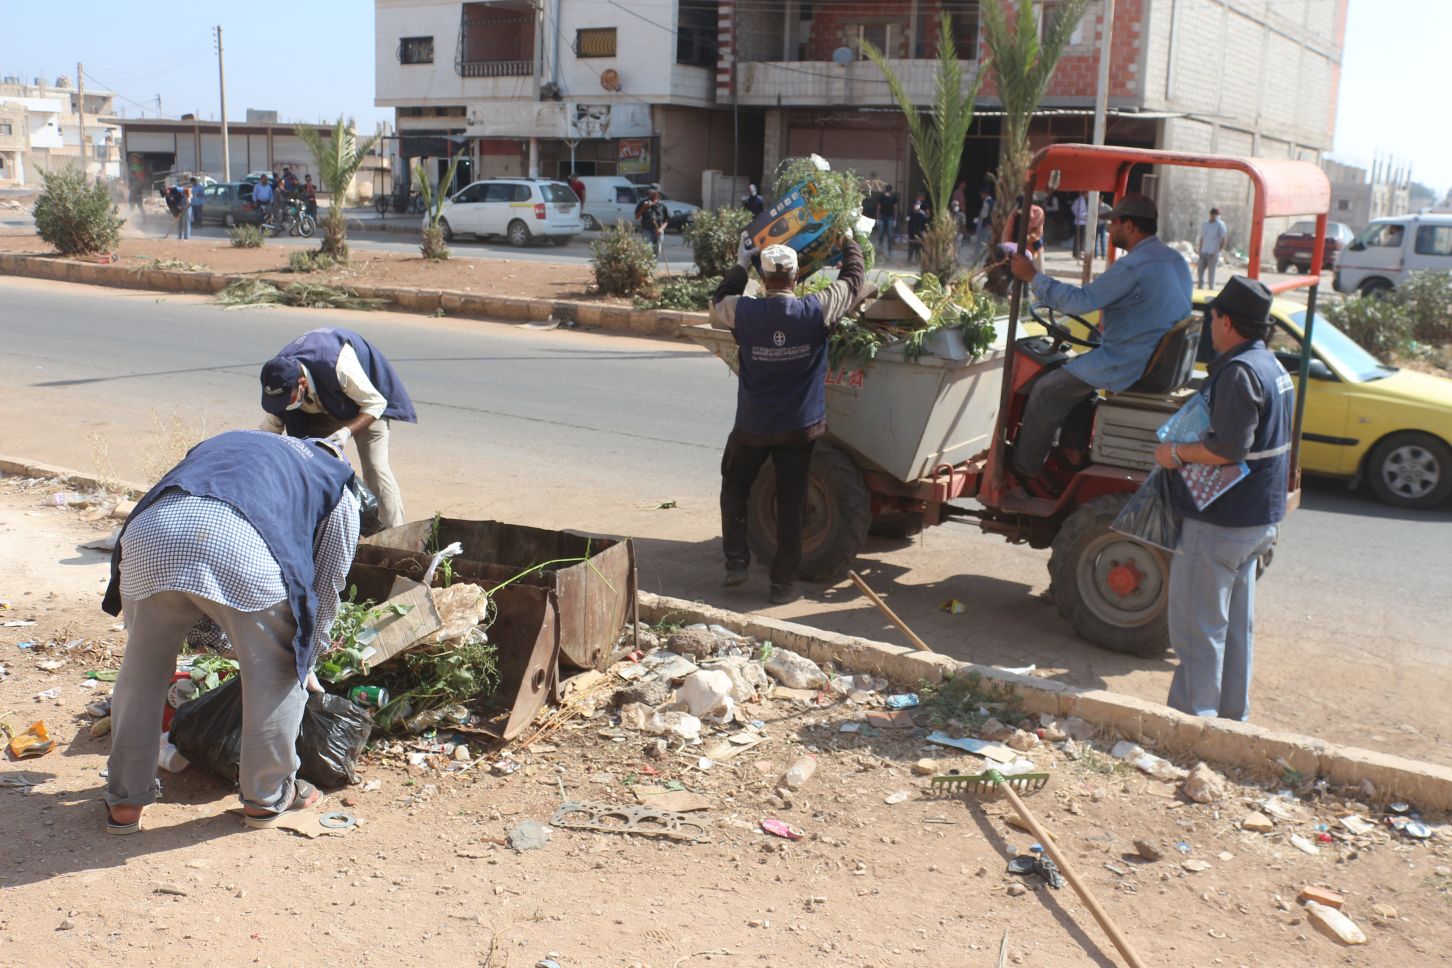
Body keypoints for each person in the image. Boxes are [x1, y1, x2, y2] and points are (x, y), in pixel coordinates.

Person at [100, 430, 360, 834]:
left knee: (142, 673)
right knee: (276, 676)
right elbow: (326, 582)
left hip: (150, 536)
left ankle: (124, 803)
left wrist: (216, 635)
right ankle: (267, 798)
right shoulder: (338, 482)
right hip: (237, 547)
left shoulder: (235, 443)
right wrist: (307, 653)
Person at [1155, 276, 1291, 721]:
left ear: (1226, 321)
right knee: (1233, 633)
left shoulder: (1238, 373)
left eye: (1212, 316)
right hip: (1256, 522)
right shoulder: (1271, 366)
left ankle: (1194, 726)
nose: (1210, 325)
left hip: (1220, 525)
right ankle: (1230, 724)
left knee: (1198, 632)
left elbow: (1227, 448)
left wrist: (1174, 453)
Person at [710, 232, 865, 605]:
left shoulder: (743, 312)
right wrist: (850, 243)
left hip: (753, 426)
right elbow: (854, 283)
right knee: (792, 503)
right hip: (800, 429)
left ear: (763, 280)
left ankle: (736, 562)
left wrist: (740, 262)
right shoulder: (817, 309)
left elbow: (718, 300)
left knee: (735, 484)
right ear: (796, 278)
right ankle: (782, 585)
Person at [1008, 193, 1193, 483]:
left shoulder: (1133, 267)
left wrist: (1031, 276)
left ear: (1130, 226)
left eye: (1114, 223)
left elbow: (1079, 301)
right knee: (1080, 383)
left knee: (1047, 389)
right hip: (1153, 358)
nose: (1109, 229)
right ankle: (1072, 452)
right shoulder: (1174, 259)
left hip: (1130, 360)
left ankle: (1023, 472)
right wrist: (1039, 252)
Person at [259, 327, 417, 529]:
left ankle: (393, 534)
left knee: (375, 469)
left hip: (366, 404)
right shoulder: (279, 374)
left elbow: (375, 404)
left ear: (302, 383)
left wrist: (346, 431)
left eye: (285, 399)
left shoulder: (338, 365)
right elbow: (271, 429)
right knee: (310, 468)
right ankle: (320, 533)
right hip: (319, 405)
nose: (282, 405)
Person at [1001, 194, 1045, 270]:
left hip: (1034, 247)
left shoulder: (1038, 212)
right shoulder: (1014, 213)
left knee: (1037, 271)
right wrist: (1006, 247)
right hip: (1016, 247)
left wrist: (1027, 238)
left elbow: (1038, 233)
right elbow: (1008, 231)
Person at [1197, 207, 1229, 288]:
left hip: (1213, 252)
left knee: (1211, 274)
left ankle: (1211, 289)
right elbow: (1202, 237)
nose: (1214, 216)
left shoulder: (1220, 225)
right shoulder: (1205, 224)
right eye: (1213, 214)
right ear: (1210, 215)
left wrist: (1219, 251)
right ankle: (1200, 288)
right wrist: (1200, 249)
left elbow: (1223, 238)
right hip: (1204, 251)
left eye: (1216, 215)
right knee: (1200, 272)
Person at [635, 189, 668, 258]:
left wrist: (661, 229)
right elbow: (637, 216)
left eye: (653, 193)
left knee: (657, 250)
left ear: (658, 194)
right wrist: (643, 208)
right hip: (647, 230)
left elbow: (666, 220)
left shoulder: (662, 205)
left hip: (658, 231)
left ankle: (654, 264)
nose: (651, 194)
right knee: (648, 248)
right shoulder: (643, 203)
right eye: (650, 193)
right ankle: (649, 264)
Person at [875, 185, 898, 257]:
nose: (888, 192)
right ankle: (880, 247)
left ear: (891, 191)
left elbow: (895, 208)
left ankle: (890, 251)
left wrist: (895, 219)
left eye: (889, 191)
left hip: (890, 217)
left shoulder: (894, 197)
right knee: (881, 233)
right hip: (882, 217)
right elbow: (878, 207)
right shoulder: (881, 196)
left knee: (890, 235)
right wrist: (877, 218)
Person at [1071, 192, 1089, 259]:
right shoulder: (1080, 200)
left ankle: (1076, 253)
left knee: (1078, 239)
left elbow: (1073, 208)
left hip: (1081, 221)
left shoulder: (1081, 200)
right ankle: (1078, 253)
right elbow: (1079, 211)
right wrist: (1081, 216)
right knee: (1080, 239)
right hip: (1081, 222)